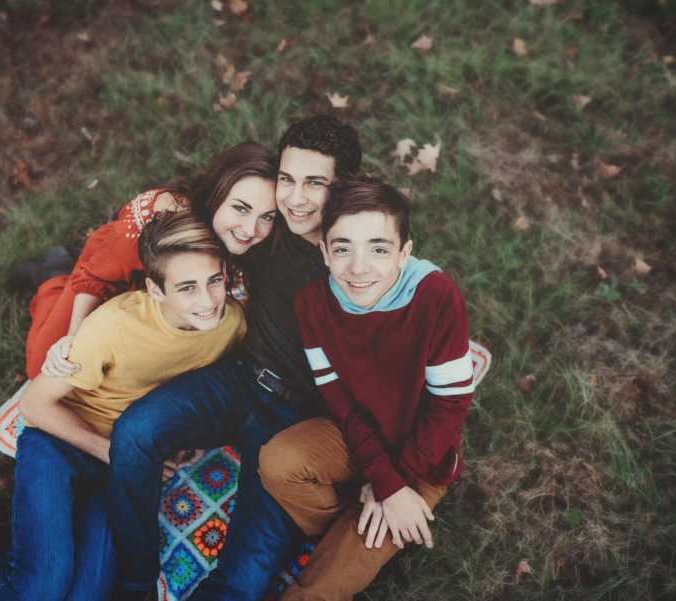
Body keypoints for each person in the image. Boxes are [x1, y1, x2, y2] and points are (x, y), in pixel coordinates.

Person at [0, 211, 247, 601]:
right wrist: (113, 452)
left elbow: (210, 392)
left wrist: (186, 439)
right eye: (187, 288)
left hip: (117, 469)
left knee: (85, 595)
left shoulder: (230, 325)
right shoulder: (114, 328)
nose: (208, 301)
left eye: (214, 281)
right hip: (60, 443)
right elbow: (34, 406)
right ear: (156, 289)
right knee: (40, 589)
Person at [106, 114, 362, 601]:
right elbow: (210, 223)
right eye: (287, 180)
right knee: (135, 432)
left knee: (242, 581)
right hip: (241, 380)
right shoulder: (268, 228)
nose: (294, 198)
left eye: (315, 183)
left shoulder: (356, 258)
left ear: (344, 186)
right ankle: (134, 584)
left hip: (294, 424)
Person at [258, 177, 474, 601]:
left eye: (378, 248)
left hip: (422, 455)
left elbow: (449, 406)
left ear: (404, 252)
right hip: (357, 437)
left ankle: (367, 531)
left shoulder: (436, 296)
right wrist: (381, 482)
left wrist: (397, 484)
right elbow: (337, 396)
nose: (358, 267)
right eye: (342, 248)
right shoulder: (313, 304)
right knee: (277, 462)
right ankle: (359, 524)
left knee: (316, 590)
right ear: (324, 251)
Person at [25, 141, 277, 379]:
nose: (251, 229)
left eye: (267, 216)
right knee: (46, 369)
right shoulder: (165, 216)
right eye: (240, 208)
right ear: (216, 195)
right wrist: (74, 337)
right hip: (111, 277)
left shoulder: (263, 246)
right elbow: (97, 276)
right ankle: (54, 275)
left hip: (169, 302)